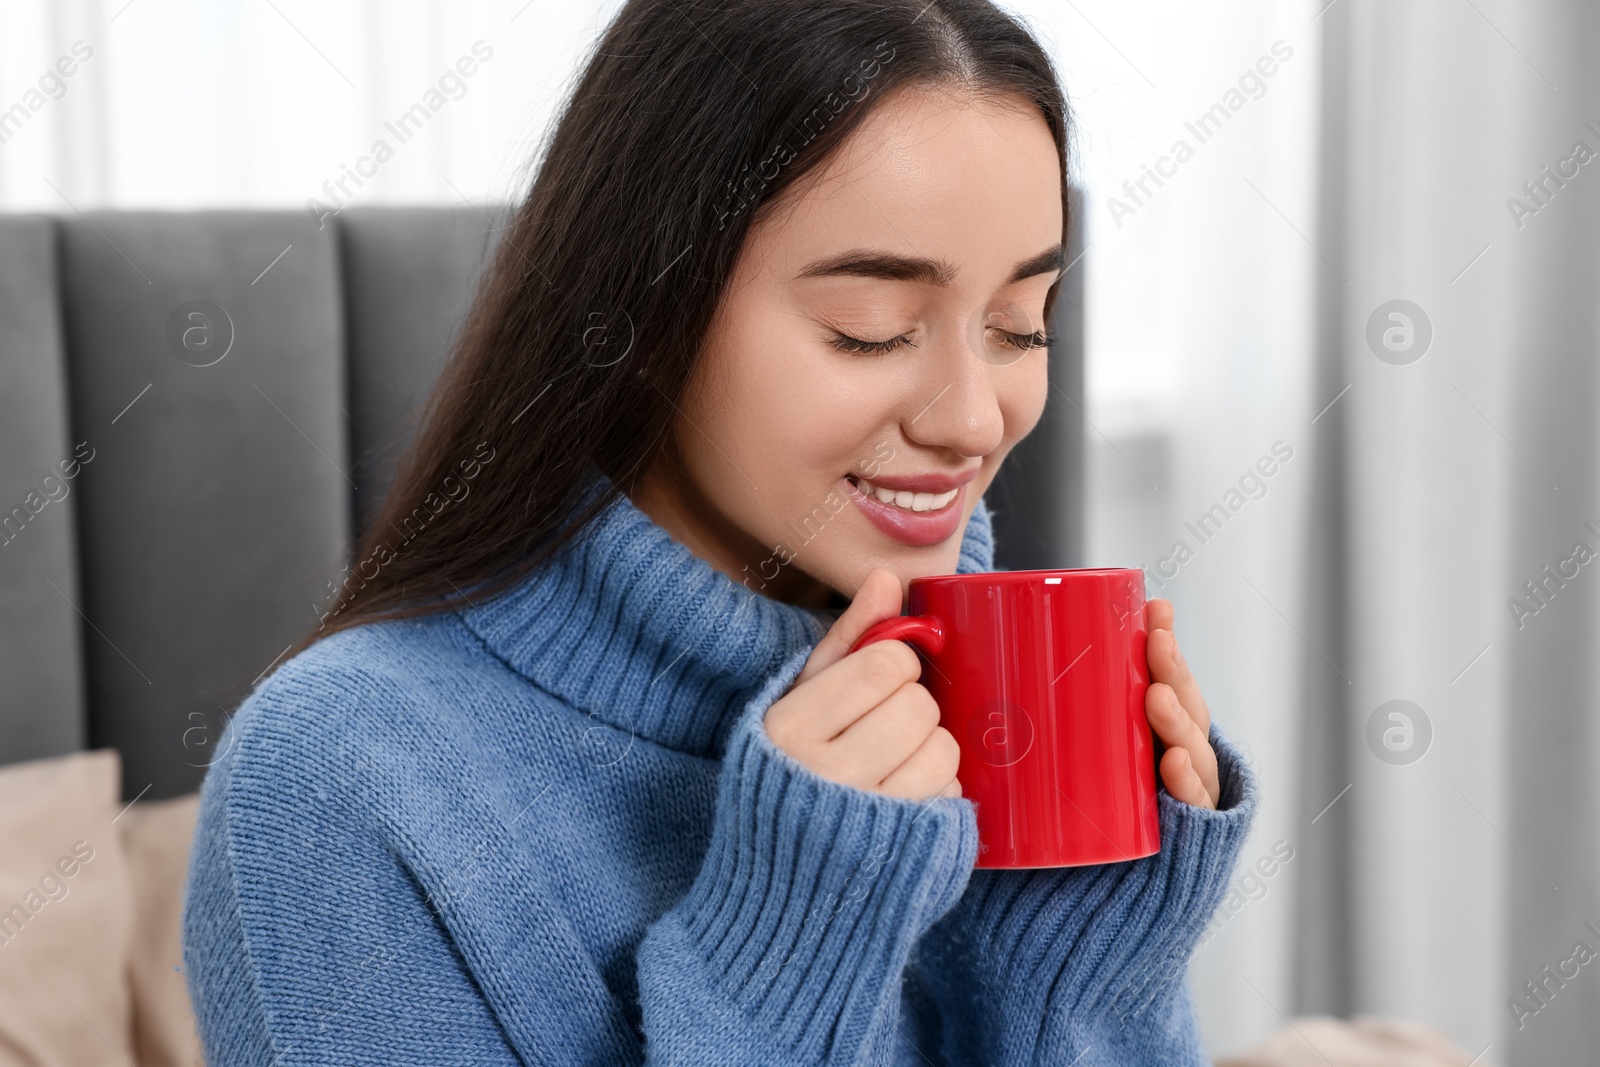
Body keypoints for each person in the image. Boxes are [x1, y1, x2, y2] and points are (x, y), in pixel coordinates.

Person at [182, 0, 1257, 1062]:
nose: (975, 418)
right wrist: (787, 960)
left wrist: (1079, 976)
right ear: (647, 314)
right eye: (870, 331)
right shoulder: (342, 777)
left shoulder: (1010, 713)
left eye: (1021, 325)